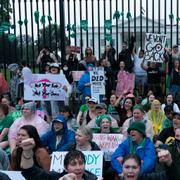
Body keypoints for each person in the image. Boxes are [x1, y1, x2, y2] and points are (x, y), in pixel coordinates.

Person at [20, 143, 97, 180]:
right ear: (66, 168)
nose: (78, 167)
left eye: (81, 163)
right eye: (73, 164)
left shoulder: (92, 179)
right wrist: (27, 151)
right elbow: (30, 172)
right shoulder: (55, 177)